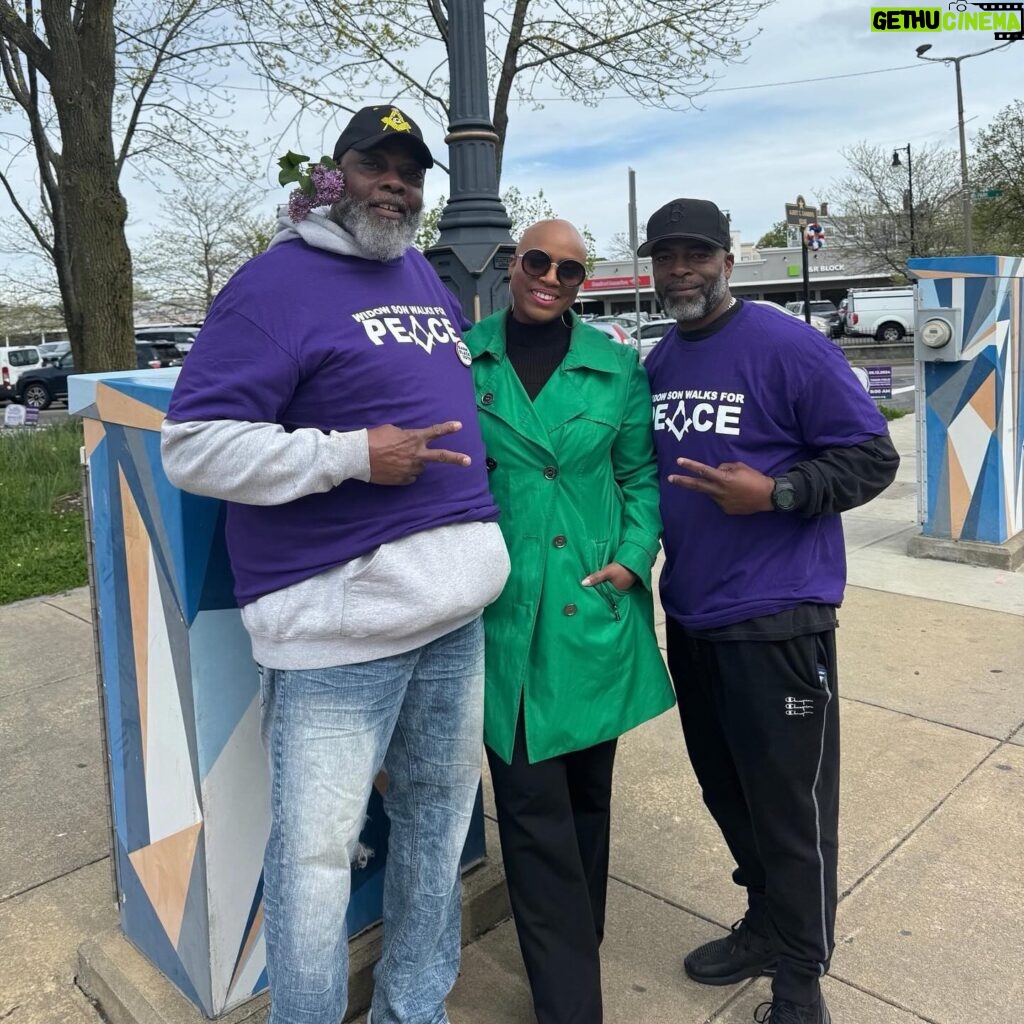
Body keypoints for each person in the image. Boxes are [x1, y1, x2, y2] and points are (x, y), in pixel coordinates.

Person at [160, 105, 510, 1024]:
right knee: (315, 861)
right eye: (376, 164)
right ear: (336, 175)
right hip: (338, 634)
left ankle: (412, 1010)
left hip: (453, 615)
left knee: (435, 831)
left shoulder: (422, 280)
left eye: (412, 170)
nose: (397, 182)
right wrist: (351, 454)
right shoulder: (271, 287)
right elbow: (193, 447)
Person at [641, 198, 900, 1024]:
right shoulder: (660, 360)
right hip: (693, 618)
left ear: (726, 259)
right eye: (666, 256)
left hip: (780, 622)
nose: (680, 269)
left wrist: (780, 491)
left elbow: (872, 455)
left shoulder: (789, 346)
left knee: (791, 814)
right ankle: (763, 925)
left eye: (696, 254)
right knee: (729, 794)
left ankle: (800, 988)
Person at [465, 219, 675, 1024]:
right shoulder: (464, 358)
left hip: (593, 611)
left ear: (584, 284)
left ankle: (576, 953)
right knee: (532, 818)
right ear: (512, 265)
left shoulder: (617, 367)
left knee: (589, 799)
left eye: (571, 270)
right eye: (537, 261)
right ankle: (570, 1005)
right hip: (507, 621)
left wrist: (632, 556)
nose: (551, 277)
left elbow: (639, 476)